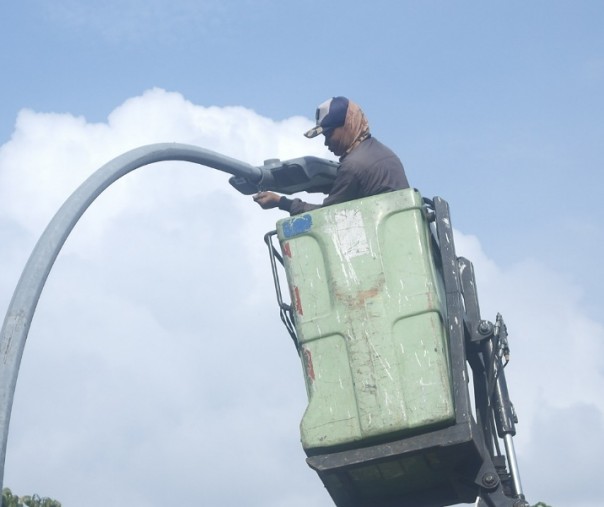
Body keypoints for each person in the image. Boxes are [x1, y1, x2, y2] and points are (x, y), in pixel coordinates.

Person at [253, 96, 409, 216]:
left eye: (329, 134)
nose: (326, 143)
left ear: (347, 125)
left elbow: (327, 216)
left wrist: (281, 202)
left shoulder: (353, 165)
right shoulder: (380, 152)